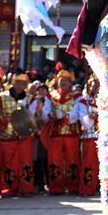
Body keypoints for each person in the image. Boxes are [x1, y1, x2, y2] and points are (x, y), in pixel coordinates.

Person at [0, 73, 36, 197]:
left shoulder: (30, 99)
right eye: (18, 82)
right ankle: (9, 188)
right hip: (7, 136)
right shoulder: (1, 97)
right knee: (9, 164)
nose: (21, 85)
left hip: (25, 136)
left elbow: (34, 116)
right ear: (13, 83)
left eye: (24, 83)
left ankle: (26, 188)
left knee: (25, 163)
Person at [38, 66, 86, 195]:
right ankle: (56, 187)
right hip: (55, 133)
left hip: (72, 133)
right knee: (55, 162)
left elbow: (77, 111)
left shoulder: (77, 96)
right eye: (61, 80)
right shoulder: (51, 95)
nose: (63, 82)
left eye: (66, 80)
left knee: (73, 161)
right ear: (57, 81)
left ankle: (73, 187)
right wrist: (49, 115)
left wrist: (66, 116)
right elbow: (45, 110)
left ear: (71, 82)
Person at [78, 74, 101, 197]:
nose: (96, 87)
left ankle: (100, 187)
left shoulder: (106, 99)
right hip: (89, 136)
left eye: (98, 84)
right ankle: (87, 188)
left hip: (104, 137)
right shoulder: (83, 102)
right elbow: (85, 121)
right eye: (93, 84)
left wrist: (96, 116)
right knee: (89, 163)